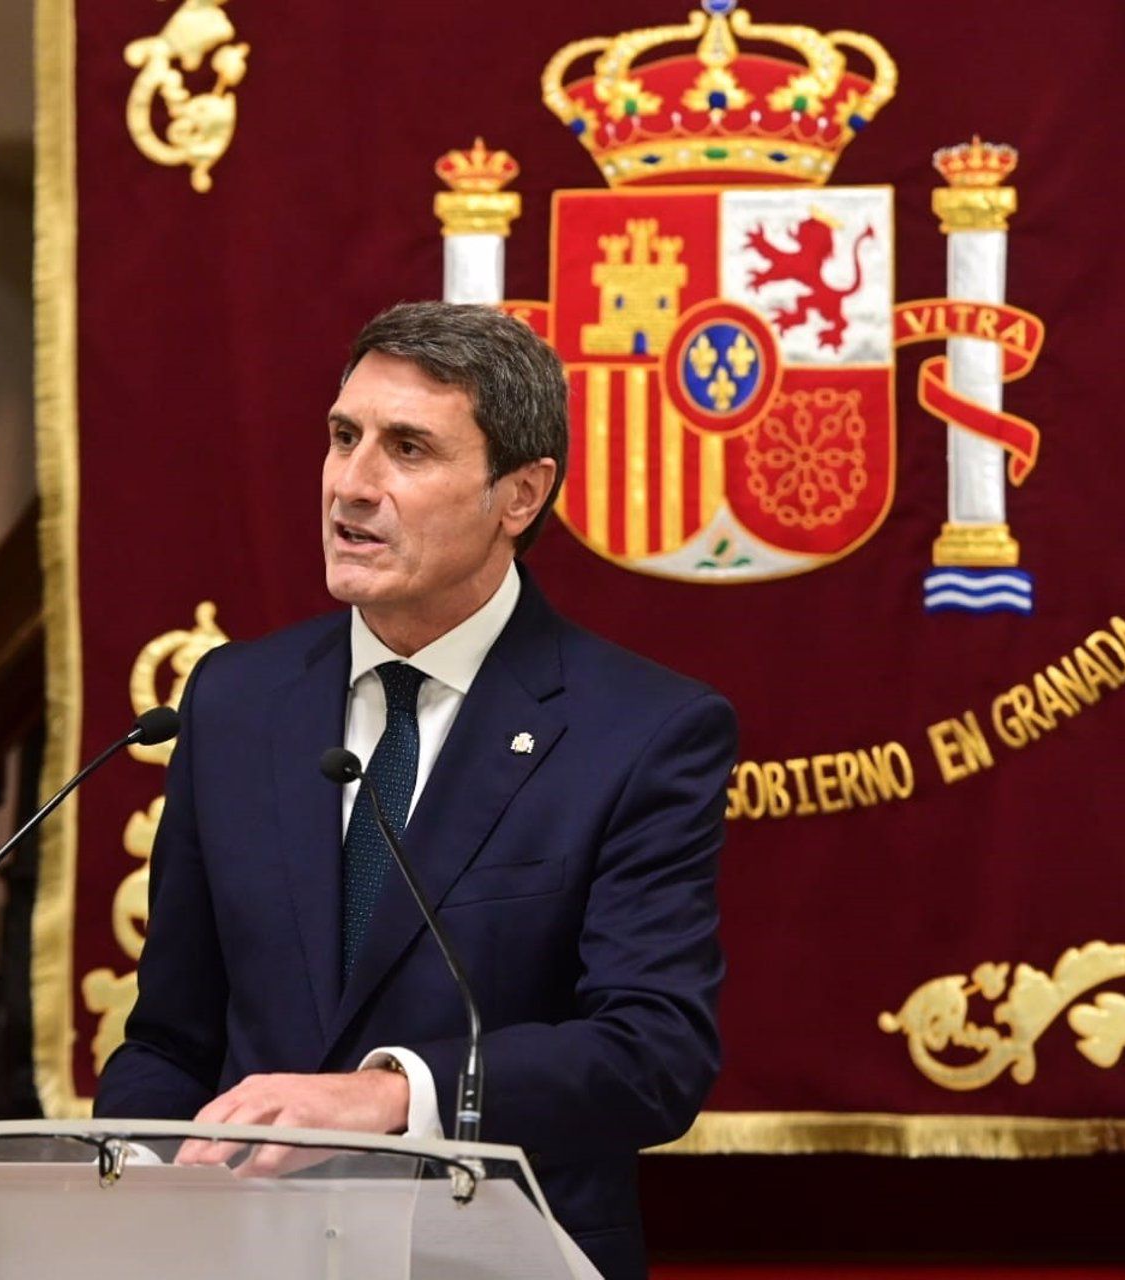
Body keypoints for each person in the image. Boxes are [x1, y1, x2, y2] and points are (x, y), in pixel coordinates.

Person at [94, 301, 736, 1279]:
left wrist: (396, 1091)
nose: (352, 484)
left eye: (407, 448)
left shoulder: (640, 731)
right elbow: (171, 1037)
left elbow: (652, 1053)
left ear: (519, 494)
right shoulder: (236, 700)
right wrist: (142, 1173)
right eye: (343, 436)